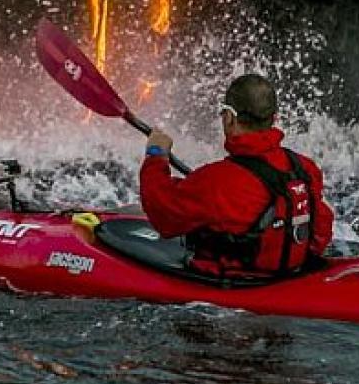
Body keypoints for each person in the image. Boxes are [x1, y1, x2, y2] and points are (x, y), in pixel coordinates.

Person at [140, 74, 334, 278]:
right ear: (273, 118)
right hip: (290, 278)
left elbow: (162, 211)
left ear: (230, 117)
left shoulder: (217, 181)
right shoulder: (304, 168)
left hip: (233, 289)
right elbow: (321, 231)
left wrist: (156, 155)